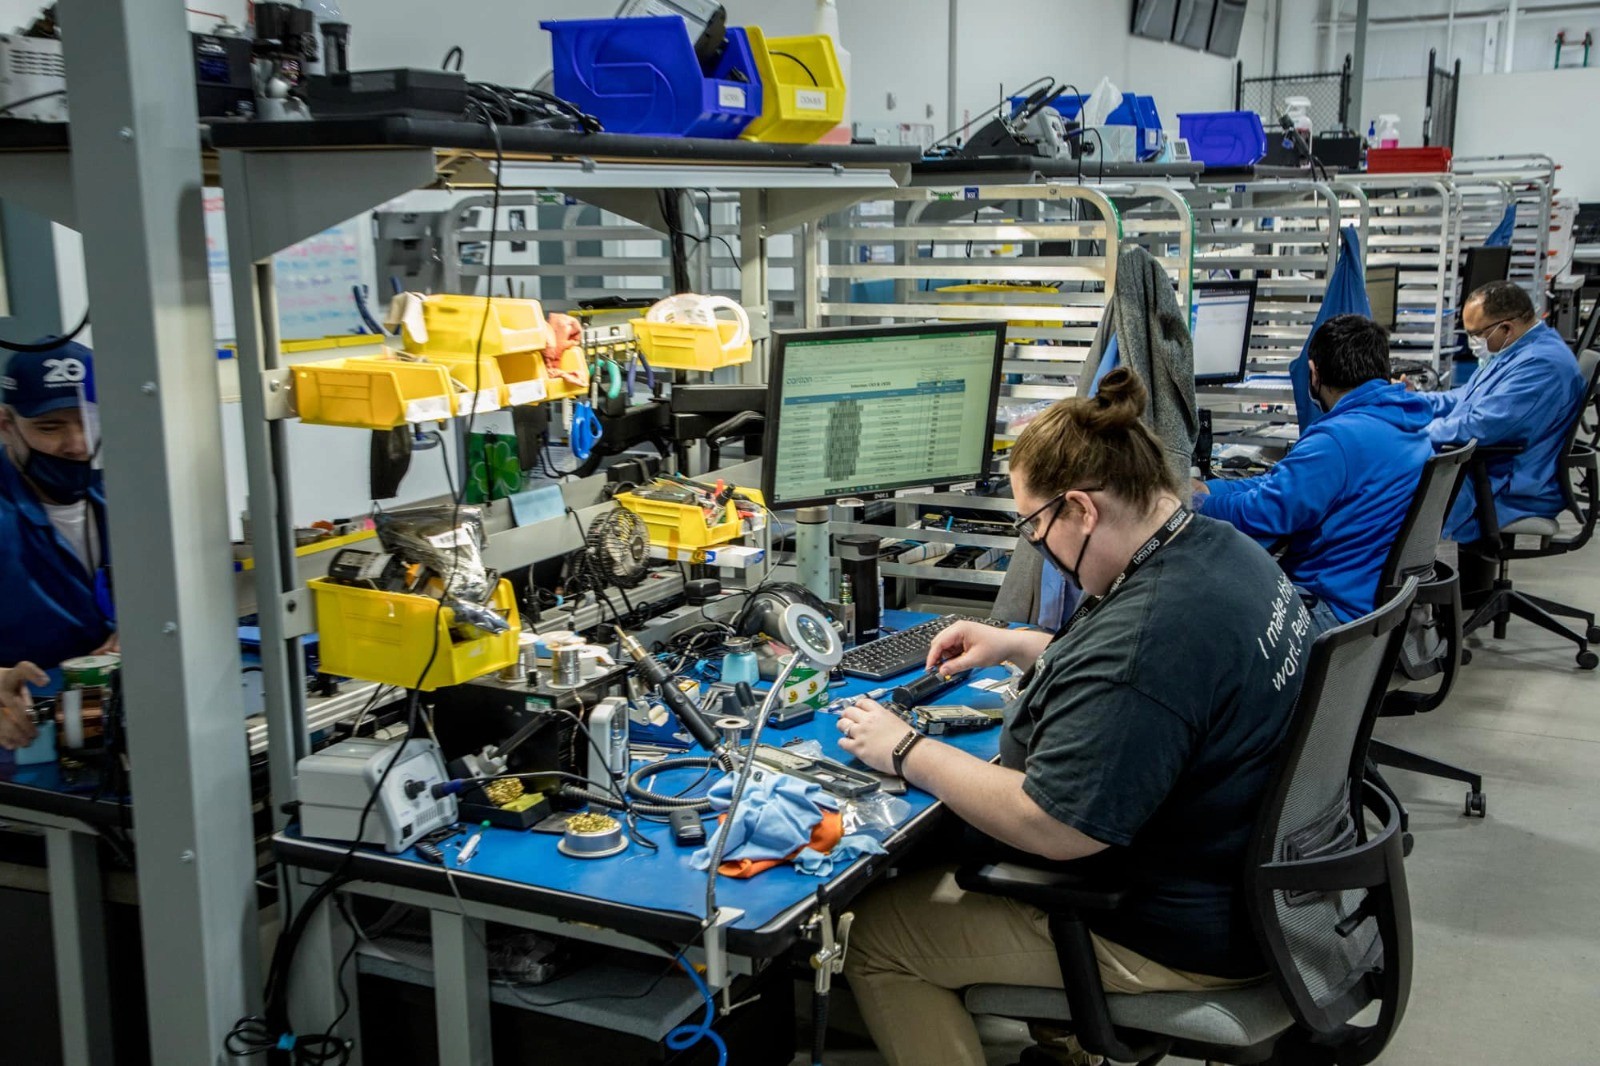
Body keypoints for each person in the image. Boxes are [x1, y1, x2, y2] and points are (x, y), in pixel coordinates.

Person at [836, 369, 1313, 1066]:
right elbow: (1155, 684)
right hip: (1260, 893)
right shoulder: (1221, 554)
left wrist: (905, 748)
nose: (1036, 549)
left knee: (877, 938)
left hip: (1165, 928)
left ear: (1081, 511)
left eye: (1034, 526)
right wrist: (1019, 645)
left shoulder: (1150, 639)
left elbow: (1054, 825)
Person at [1192, 314, 1433, 633]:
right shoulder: (1404, 422)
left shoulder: (1338, 440)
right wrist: (1210, 490)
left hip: (1329, 614)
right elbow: (1278, 485)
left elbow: (1266, 513)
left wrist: (1195, 505)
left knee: (1190, 617)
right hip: (1374, 606)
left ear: (1314, 373)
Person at [0, 341, 115, 751]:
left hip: (115, 726)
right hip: (23, 744)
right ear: (5, 424)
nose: (78, 444)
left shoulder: (130, 487)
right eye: (50, 427)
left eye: (89, 420)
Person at [1426, 281, 1585, 548]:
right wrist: (1409, 403)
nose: (1473, 343)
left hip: (1508, 484)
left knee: (1394, 494)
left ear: (1506, 328)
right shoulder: (1514, 350)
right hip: (1491, 468)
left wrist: (1417, 430)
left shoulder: (1541, 365)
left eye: (1476, 335)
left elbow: (1479, 426)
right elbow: (1463, 398)